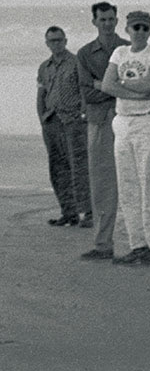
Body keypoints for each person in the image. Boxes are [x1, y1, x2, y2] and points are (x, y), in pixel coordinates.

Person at [100, 11, 150, 267]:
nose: (139, 31)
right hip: (123, 123)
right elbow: (106, 86)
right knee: (128, 186)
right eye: (135, 28)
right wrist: (129, 87)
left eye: (144, 27)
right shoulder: (119, 54)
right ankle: (137, 245)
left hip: (149, 121)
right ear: (128, 30)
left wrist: (122, 84)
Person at [74, 1, 125, 258]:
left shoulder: (129, 48)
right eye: (102, 19)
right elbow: (86, 92)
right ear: (94, 22)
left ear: (117, 20)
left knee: (134, 181)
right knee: (102, 184)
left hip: (128, 120)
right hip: (99, 121)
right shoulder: (84, 54)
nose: (107, 23)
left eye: (111, 19)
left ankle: (148, 244)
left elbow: (141, 90)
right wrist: (117, 89)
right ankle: (103, 244)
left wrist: (101, 84)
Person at [36, 25, 89, 226]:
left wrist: (82, 115)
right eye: (52, 41)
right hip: (52, 122)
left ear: (65, 41)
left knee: (79, 167)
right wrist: (42, 118)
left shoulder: (76, 63)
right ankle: (69, 212)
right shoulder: (44, 67)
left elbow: (84, 91)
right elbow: (41, 94)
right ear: (47, 43)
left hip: (73, 121)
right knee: (57, 168)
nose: (56, 44)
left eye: (59, 40)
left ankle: (88, 213)